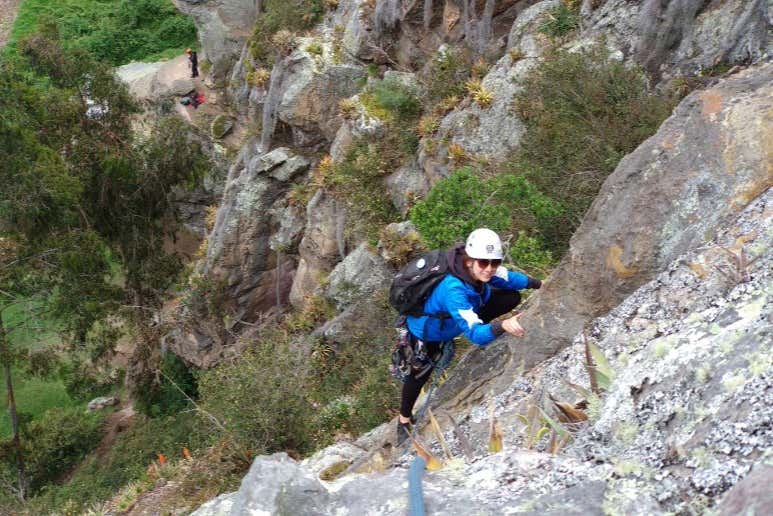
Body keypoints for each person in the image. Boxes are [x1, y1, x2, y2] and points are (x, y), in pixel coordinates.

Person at [397, 228, 542, 444]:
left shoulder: (481, 270)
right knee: (420, 373)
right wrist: (502, 326)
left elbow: (508, 278)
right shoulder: (454, 290)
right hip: (431, 331)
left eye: (494, 262)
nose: (490, 268)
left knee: (510, 296)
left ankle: (479, 323)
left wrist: (540, 285)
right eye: (484, 262)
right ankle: (403, 421)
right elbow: (475, 335)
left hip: (461, 312)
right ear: (469, 261)